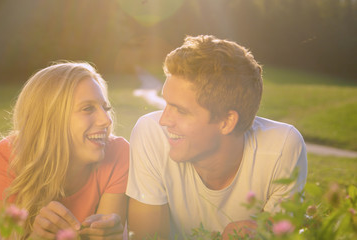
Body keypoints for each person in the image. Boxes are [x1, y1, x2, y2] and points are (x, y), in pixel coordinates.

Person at [126, 35, 307, 239]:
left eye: (181, 111)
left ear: (226, 121)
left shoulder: (282, 148)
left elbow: (281, 233)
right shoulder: (152, 134)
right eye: (166, 104)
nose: (164, 120)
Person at [0, 62, 129, 240]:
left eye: (105, 108)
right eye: (88, 108)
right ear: (51, 119)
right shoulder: (8, 154)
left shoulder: (118, 152)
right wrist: (38, 236)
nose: (106, 120)